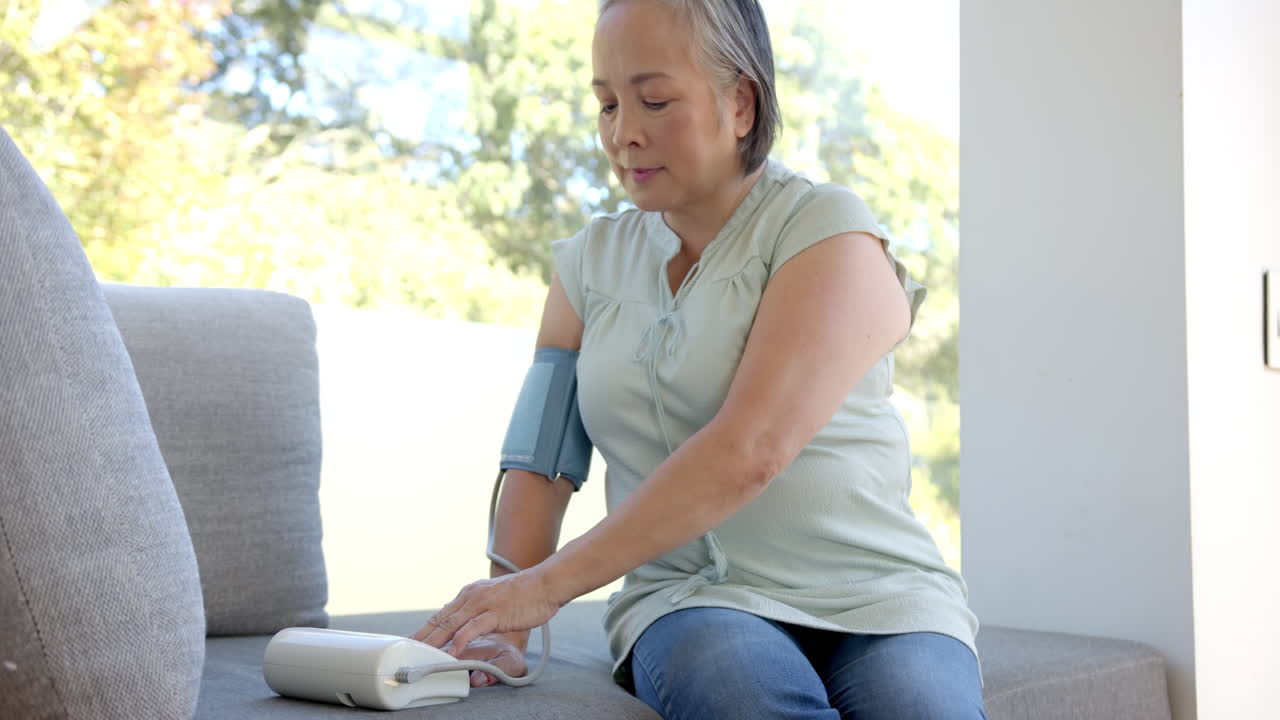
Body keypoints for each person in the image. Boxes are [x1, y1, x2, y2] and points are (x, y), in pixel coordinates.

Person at [412, 0, 986, 717]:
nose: (624, 133)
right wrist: (508, 616)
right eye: (607, 104)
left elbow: (753, 448)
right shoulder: (590, 264)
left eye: (654, 100)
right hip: (691, 600)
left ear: (741, 103)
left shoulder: (827, 230)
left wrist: (547, 586)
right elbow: (541, 460)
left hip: (880, 596)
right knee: (739, 689)